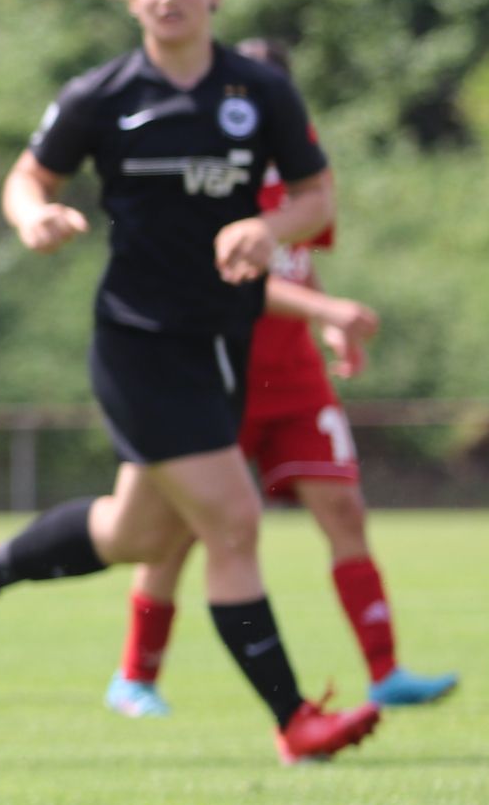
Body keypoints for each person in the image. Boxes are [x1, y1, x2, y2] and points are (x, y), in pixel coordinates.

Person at [0, 0, 380, 764]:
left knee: (136, 533)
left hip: (223, 342)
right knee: (234, 521)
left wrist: (268, 222)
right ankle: (296, 720)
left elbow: (319, 199)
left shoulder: (261, 94)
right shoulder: (104, 96)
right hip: (137, 343)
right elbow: (30, 175)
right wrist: (33, 217)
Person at [106, 40, 456, 718]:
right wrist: (328, 309)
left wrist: (325, 321)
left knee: (345, 512)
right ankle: (135, 677)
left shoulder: (303, 177)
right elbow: (233, 281)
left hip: (294, 380)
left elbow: (296, 267)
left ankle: (385, 672)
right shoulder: (208, 171)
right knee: (180, 530)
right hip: (217, 375)